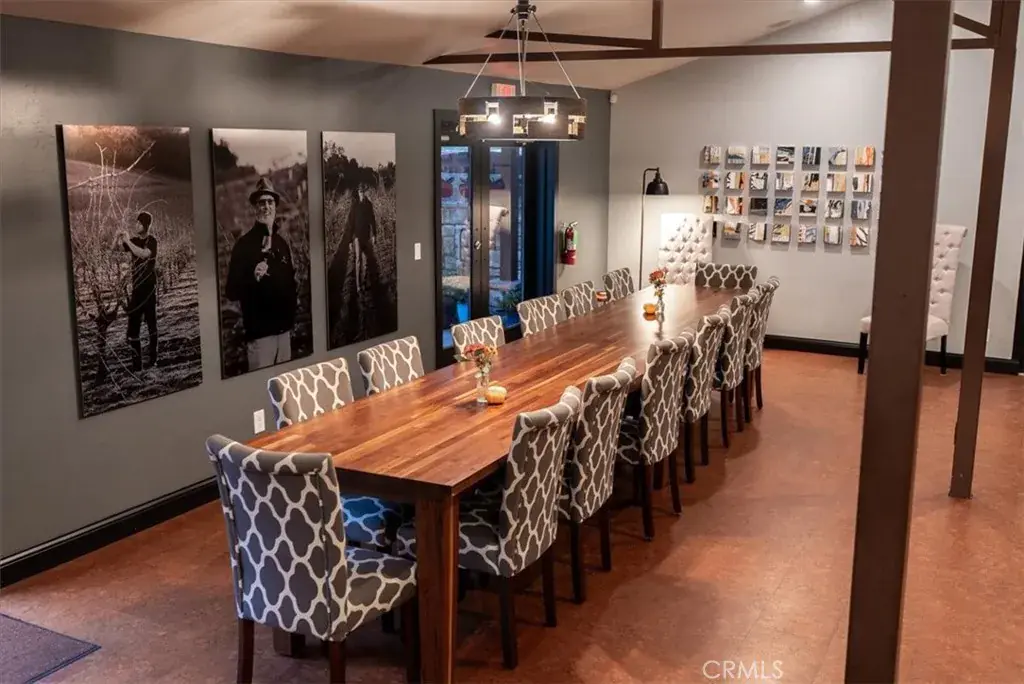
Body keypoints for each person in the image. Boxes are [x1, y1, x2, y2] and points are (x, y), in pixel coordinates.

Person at [225, 177, 296, 371]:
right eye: (261, 202)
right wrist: (252, 277)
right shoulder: (244, 246)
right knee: (262, 388)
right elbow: (231, 291)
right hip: (261, 338)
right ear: (255, 207)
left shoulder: (282, 244)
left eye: (270, 202)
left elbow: (291, 283)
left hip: (284, 335)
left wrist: (290, 318)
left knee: (286, 386)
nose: (266, 207)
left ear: (275, 206)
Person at [117, 211, 158, 372]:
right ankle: (136, 365)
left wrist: (128, 241)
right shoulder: (134, 240)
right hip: (136, 289)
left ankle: (153, 360)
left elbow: (143, 254)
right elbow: (117, 249)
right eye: (136, 222)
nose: (136, 225)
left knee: (151, 325)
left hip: (149, 289)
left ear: (145, 225)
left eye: (139, 223)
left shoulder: (152, 241)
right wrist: (119, 237)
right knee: (133, 328)